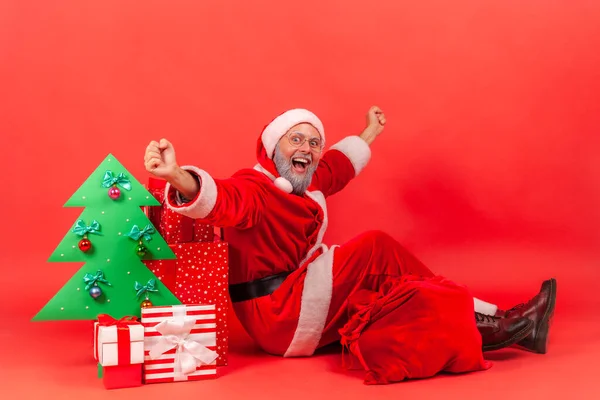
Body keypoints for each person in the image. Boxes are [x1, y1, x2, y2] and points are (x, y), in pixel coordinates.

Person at [143, 106, 556, 377]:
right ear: (273, 147)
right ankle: (490, 314)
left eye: (314, 142)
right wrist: (177, 176)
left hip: (301, 300)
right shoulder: (255, 186)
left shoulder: (308, 180)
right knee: (376, 249)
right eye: (296, 140)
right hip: (278, 314)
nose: (307, 148)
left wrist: (369, 132)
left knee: (388, 304)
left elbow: (339, 166)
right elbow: (221, 199)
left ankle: (507, 327)